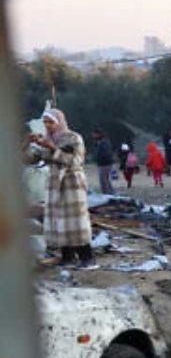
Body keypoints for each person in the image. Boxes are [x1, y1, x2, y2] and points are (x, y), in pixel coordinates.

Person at [24, 109, 97, 269]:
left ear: (59, 122)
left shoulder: (73, 138)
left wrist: (51, 147)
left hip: (72, 183)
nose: (48, 126)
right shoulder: (46, 139)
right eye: (45, 122)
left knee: (76, 221)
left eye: (51, 122)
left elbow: (74, 161)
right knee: (60, 221)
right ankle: (68, 257)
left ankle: (87, 258)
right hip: (54, 184)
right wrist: (27, 143)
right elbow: (30, 159)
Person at [91, 128, 115, 195]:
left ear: (98, 134)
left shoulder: (104, 142)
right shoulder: (100, 142)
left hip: (105, 164)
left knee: (103, 180)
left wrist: (98, 158)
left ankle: (107, 194)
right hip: (103, 163)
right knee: (106, 179)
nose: (93, 135)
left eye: (94, 134)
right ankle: (110, 192)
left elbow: (105, 153)